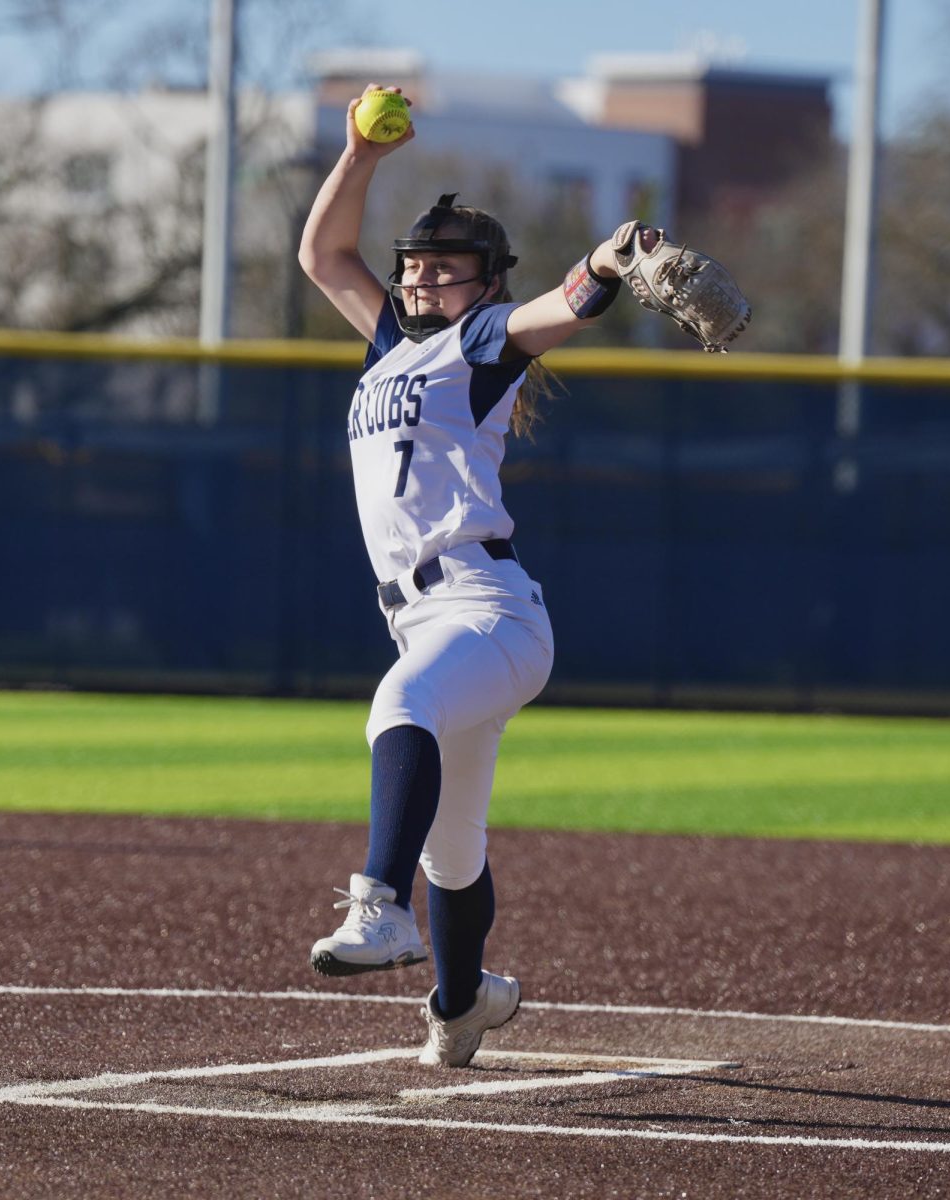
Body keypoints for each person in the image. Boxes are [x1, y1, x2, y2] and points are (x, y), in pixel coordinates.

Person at [298, 83, 639, 1069]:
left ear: (485, 284)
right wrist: (359, 152)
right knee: (456, 845)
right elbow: (322, 254)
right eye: (415, 267)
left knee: (400, 705)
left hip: (488, 611)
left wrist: (609, 259)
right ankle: (462, 1002)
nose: (421, 281)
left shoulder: (480, 342)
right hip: (427, 616)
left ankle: (379, 909)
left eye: (446, 270)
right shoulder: (388, 344)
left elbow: (563, 307)